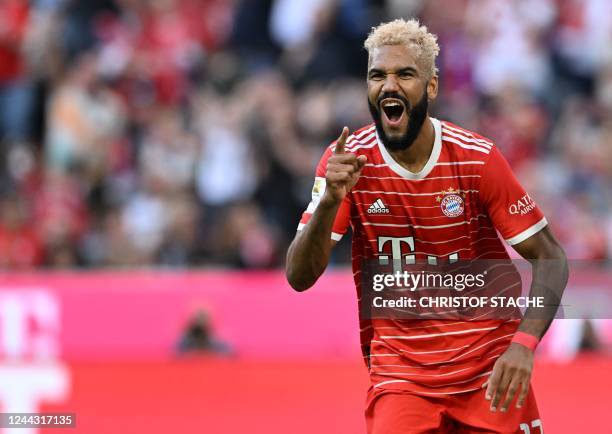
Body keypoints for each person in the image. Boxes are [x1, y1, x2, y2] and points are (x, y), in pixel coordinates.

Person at [286, 19, 568, 434]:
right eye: (377, 75)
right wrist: (330, 201)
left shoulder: (476, 159)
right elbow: (298, 276)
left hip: (488, 369)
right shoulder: (345, 163)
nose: (389, 85)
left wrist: (524, 346)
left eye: (404, 74)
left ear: (432, 87)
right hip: (402, 376)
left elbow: (551, 257)